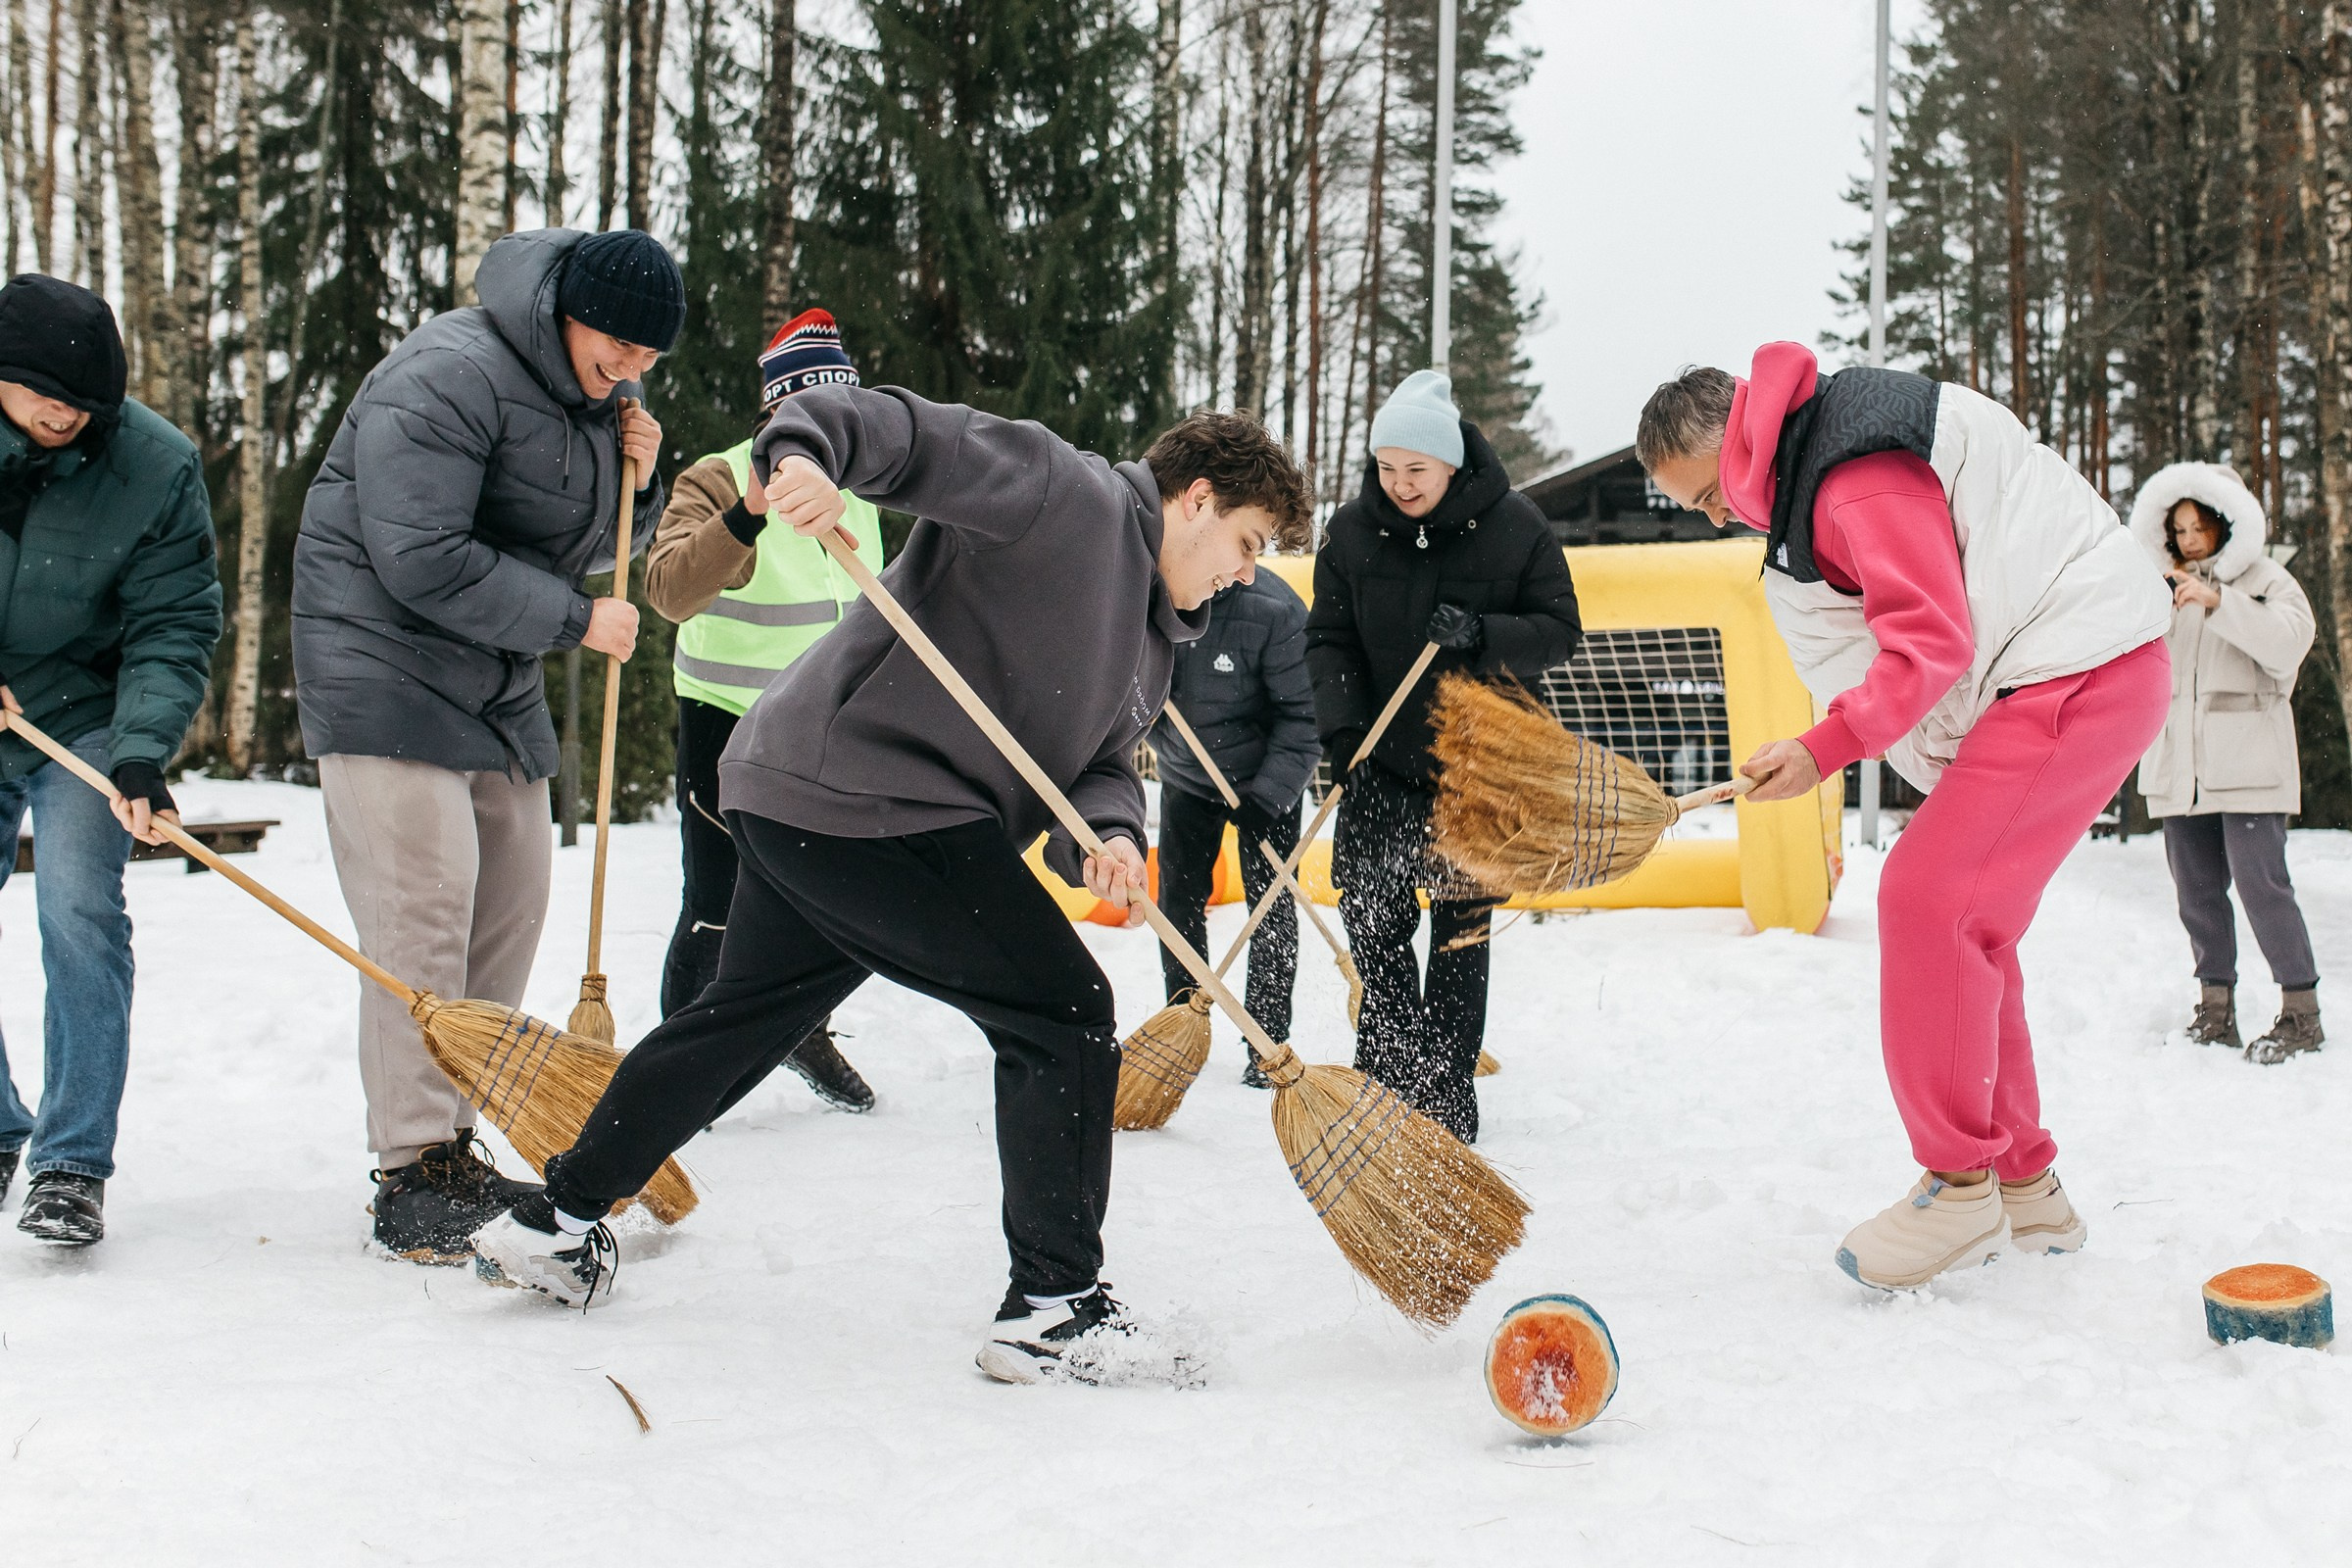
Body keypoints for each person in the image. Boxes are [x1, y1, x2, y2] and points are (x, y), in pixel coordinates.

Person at [470, 392, 1311, 1387]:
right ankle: (1055, 1309)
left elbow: (1100, 760)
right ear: (1198, 500)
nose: (1247, 570)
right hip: (867, 792)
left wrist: (1117, 832)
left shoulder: (1154, 636)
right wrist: (807, 457)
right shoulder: (1064, 492)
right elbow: (900, 430)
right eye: (1250, 541)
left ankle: (559, 1221)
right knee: (1064, 1009)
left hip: (819, 800)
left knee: (744, 1017)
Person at [1639, 342, 2172, 1292]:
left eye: (1707, 495)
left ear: (1734, 440)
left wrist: (1820, 747)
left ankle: (1960, 1186)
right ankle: (2023, 1184)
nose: (1716, 517)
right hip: (2073, 666)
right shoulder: (1822, 460)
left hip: (2077, 666)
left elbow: (1931, 633)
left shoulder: (1849, 474)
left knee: (1930, 899)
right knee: (1974, 925)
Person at [293, 228, 681, 1263]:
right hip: (380, 666)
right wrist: (572, 622)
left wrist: (640, 478)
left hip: (491, 680)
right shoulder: (447, 372)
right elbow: (420, 555)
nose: (633, 368)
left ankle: (458, 1139)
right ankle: (412, 1166)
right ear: (564, 309)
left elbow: (587, 549)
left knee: (510, 899)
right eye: (619, 344)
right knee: (423, 908)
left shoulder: (600, 407)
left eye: (652, 356)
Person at [0, 273, 222, 1246]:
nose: (63, 414)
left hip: (83, 714)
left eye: (84, 403)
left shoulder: (153, 465)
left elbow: (173, 621)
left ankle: (69, 1162)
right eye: (43, 392)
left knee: (81, 912)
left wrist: (138, 754)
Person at [1304, 369, 1581, 1144]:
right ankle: (1390, 1069)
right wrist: (1343, 735)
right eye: (1385, 469)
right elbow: (1327, 638)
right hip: (1378, 758)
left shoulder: (1516, 526)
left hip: (1477, 765)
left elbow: (1560, 630)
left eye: (1414, 471)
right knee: (1372, 914)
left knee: (1461, 930)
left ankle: (1445, 1088)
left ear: (1452, 462)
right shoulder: (1352, 531)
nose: (1399, 486)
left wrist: (1485, 633)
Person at [645, 307, 881, 1111]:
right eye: (817, 413)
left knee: (829, 905)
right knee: (716, 904)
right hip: (727, 719)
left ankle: (800, 1029)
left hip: (825, 728)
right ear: (780, 410)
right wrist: (745, 512)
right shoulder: (718, 475)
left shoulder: (863, 492)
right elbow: (671, 591)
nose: (834, 432)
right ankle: (675, 1074)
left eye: (845, 414)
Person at [2128, 463, 2322, 1064]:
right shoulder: (2159, 585)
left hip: (2250, 769)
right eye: (2178, 528)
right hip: (2178, 773)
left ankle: (2300, 1014)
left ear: (2225, 522)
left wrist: (2221, 602)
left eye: (2198, 526)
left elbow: (2290, 644)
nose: (2187, 539)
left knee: (2264, 889)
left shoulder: (2267, 580)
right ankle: (2217, 1010)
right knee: (2197, 893)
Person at [1146, 568, 1318, 1087]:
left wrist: (1270, 794)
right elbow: (1127, 686)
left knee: (1269, 905)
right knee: (1177, 900)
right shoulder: (1151, 593)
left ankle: (1265, 1037)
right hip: (1187, 772)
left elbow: (1305, 716)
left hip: (1264, 780)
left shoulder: (1275, 611)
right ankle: (1183, 1024)